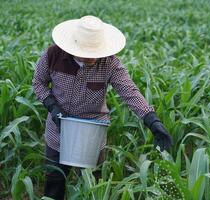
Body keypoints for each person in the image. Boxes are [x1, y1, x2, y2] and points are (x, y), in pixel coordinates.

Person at [32, 15, 173, 199]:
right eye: (86, 52)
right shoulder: (53, 55)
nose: (92, 58)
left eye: (95, 52)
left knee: (94, 185)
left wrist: (152, 120)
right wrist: (52, 106)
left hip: (92, 133)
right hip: (58, 131)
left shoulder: (110, 63)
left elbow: (129, 91)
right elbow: (38, 82)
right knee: (54, 182)